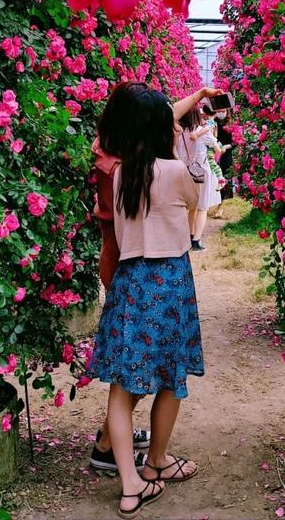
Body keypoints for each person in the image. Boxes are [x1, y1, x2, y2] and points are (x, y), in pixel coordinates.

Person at [89, 84, 221, 474]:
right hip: (154, 272)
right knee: (159, 368)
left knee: (130, 370)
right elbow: (191, 200)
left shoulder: (114, 160)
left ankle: (118, 449)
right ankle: (129, 452)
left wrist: (197, 96)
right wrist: (179, 149)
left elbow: (158, 116)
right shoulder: (152, 170)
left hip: (128, 272)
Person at [176, 105, 222, 251]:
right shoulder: (202, 131)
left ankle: (189, 237)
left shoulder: (179, 132)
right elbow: (217, 149)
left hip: (182, 171)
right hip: (200, 170)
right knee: (202, 206)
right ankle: (196, 241)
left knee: (191, 207)